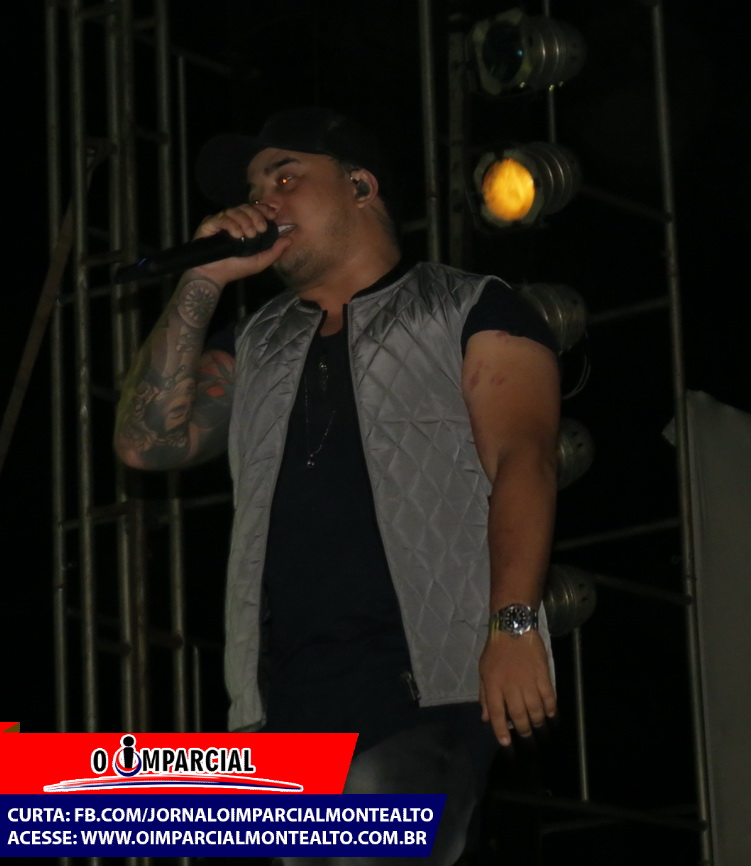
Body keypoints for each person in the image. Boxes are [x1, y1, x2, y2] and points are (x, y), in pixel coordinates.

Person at [113, 106, 562, 865]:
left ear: (359, 186)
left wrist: (513, 626)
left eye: (284, 178)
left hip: (421, 688)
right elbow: (144, 443)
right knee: (63, 805)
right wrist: (203, 278)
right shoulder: (257, 340)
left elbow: (525, 461)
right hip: (280, 703)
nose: (263, 201)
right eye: (254, 189)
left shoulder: (468, 306)